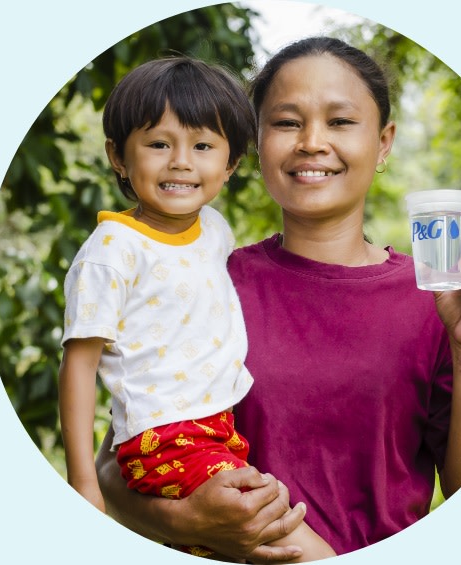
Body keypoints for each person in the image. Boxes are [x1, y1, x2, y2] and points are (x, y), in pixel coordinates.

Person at [97, 37, 461, 561]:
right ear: (254, 143)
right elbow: (113, 467)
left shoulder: (438, 299)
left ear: (383, 143)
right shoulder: (203, 282)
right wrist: (190, 519)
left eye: (340, 122)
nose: (312, 142)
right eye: (287, 122)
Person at [57, 56, 336, 561]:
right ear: (118, 156)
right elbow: (78, 366)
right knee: (304, 548)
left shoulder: (214, 229)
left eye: (203, 146)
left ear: (229, 164)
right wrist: (83, 485)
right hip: (163, 439)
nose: (182, 161)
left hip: (222, 429)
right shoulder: (110, 252)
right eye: (159, 144)